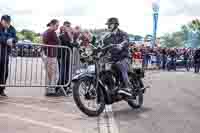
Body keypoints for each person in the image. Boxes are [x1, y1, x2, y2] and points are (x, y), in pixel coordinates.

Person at [102, 17, 132, 96]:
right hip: (113, 59)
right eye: (108, 25)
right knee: (103, 69)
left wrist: (121, 45)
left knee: (121, 65)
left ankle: (128, 87)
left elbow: (127, 41)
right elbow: (103, 48)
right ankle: (111, 89)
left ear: (116, 25)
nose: (108, 26)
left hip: (124, 57)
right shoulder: (106, 37)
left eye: (110, 24)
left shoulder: (123, 33)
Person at [0, 15, 17, 96]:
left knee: (4, 72)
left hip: (5, 53)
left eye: (9, 22)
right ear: (2, 21)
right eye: (6, 22)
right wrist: (7, 39)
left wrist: (12, 39)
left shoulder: (11, 28)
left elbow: (15, 37)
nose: (7, 24)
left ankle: (1, 89)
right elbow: (1, 37)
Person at [42, 19, 60, 96]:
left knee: (49, 74)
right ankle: (50, 90)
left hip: (48, 55)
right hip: (51, 55)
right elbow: (58, 42)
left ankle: (49, 90)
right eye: (57, 25)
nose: (57, 27)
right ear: (52, 25)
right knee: (53, 74)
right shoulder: (51, 32)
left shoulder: (46, 31)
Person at [56, 21, 74, 94]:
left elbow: (73, 43)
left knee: (66, 72)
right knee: (62, 72)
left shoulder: (67, 35)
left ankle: (65, 87)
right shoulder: (62, 35)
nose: (69, 28)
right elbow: (70, 43)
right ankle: (59, 87)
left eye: (69, 26)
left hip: (67, 57)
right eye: (67, 26)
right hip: (63, 57)